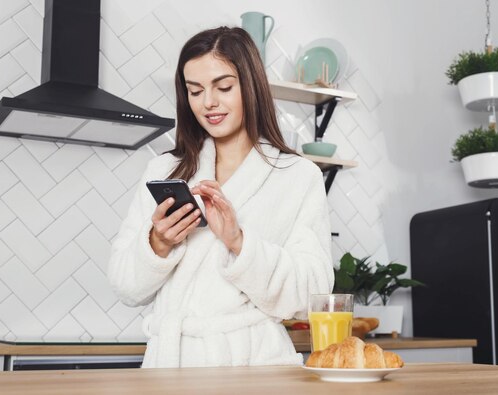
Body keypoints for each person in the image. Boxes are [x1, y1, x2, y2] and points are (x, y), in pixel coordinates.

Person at [108, 26, 334, 368]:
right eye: (195, 91)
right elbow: (125, 287)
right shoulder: (164, 170)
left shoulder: (297, 177)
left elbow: (312, 295)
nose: (208, 102)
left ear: (251, 86)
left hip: (255, 367)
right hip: (171, 366)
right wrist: (158, 243)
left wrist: (239, 242)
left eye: (223, 87)